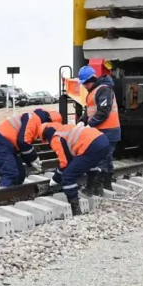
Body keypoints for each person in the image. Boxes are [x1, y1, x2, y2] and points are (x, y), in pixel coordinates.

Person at [43, 122, 110, 215]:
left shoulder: (56, 138)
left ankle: (76, 209)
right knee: (91, 164)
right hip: (103, 140)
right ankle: (90, 189)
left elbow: (64, 164)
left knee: (68, 176)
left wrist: (56, 178)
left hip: (91, 145)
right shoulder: (66, 128)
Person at [0, 109, 62, 187]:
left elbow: (23, 145)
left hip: (7, 144)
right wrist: (33, 158)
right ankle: (2, 197)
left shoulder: (35, 120)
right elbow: (23, 142)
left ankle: (12, 195)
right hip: (0, 142)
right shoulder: (34, 119)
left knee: (19, 174)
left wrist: (29, 160)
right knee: (10, 173)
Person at [78, 66, 121, 194]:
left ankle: (98, 188)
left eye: (85, 83)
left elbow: (103, 112)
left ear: (90, 80)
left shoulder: (103, 90)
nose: (84, 86)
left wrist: (90, 124)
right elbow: (91, 111)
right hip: (104, 131)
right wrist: (82, 120)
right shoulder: (95, 91)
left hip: (108, 130)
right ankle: (106, 185)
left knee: (102, 158)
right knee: (106, 158)